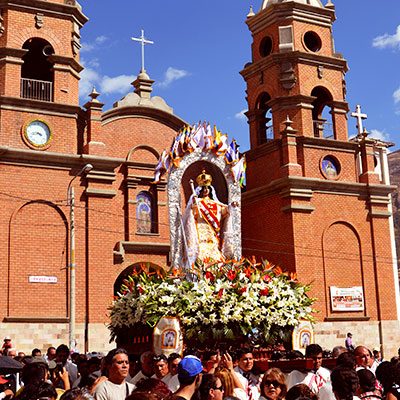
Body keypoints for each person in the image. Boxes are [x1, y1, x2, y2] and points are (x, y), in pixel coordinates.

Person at [183, 170, 235, 265]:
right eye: (204, 188)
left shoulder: (215, 204)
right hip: (200, 230)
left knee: (215, 254)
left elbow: (223, 211)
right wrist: (193, 203)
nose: (206, 190)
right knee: (201, 253)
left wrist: (230, 206)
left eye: (208, 188)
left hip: (212, 233)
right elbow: (191, 214)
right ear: (200, 190)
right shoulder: (197, 202)